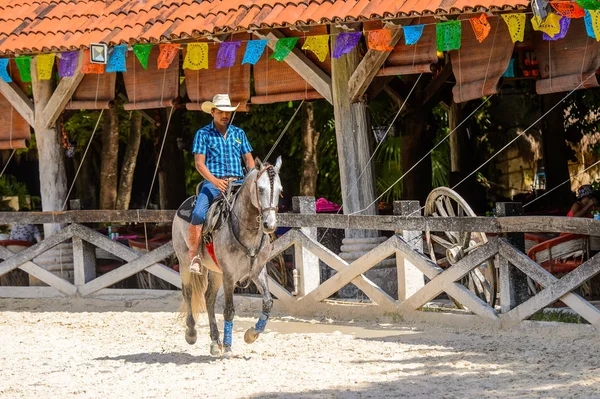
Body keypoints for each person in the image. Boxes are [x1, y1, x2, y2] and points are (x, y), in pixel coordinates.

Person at [188, 94, 255, 274]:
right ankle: (194, 255)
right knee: (199, 212)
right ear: (213, 112)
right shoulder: (203, 134)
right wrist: (215, 182)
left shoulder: (239, 133)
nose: (225, 115)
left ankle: (262, 246)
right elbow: (199, 164)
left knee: (260, 207)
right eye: (221, 111)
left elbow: (249, 160)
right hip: (213, 182)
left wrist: (252, 178)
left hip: (240, 181)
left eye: (228, 112)